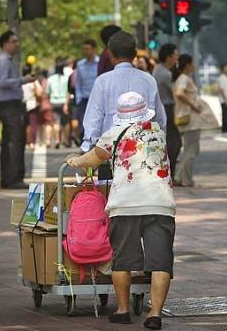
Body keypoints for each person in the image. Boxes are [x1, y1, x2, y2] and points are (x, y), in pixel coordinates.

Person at [67, 92, 175, 330]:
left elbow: (92, 160)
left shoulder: (113, 134)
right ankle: (154, 314)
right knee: (160, 261)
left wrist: (76, 161)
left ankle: (123, 310)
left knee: (123, 260)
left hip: (125, 204)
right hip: (159, 203)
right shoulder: (157, 130)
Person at [82, 31, 167, 180]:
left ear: (110, 54)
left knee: (112, 200)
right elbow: (160, 120)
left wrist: (86, 149)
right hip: (144, 155)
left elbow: (93, 121)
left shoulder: (103, 81)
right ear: (135, 54)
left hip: (111, 157)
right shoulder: (148, 80)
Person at [0, 30, 33, 189]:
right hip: (9, 105)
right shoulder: (3, 61)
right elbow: (2, 82)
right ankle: (13, 178)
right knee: (15, 141)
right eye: (13, 41)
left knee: (11, 141)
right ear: (5, 44)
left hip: (10, 104)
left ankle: (9, 177)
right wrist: (24, 80)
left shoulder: (6, 60)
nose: (17, 44)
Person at [172, 54, 209, 187]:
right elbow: (179, 93)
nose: (194, 65)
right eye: (192, 62)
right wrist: (193, 105)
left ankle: (181, 177)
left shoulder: (183, 78)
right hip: (190, 119)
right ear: (187, 64)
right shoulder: (184, 78)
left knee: (191, 149)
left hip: (190, 119)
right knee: (191, 150)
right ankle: (183, 179)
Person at [152, 43, 182, 182]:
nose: (177, 57)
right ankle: (170, 175)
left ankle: (167, 174)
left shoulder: (158, 69)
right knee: (174, 143)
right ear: (169, 57)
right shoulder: (165, 73)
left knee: (168, 142)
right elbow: (176, 92)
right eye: (175, 54)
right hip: (168, 109)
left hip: (161, 109)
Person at [75, 39, 99, 139]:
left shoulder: (100, 63)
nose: (85, 51)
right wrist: (78, 98)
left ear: (94, 50)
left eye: (87, 49)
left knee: (96, 125)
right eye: (84, 49)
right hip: (84, 99)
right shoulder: (80, 65)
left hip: (97, 99)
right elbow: (78, 83)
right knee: (83, 125)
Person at [46, 58, 71, 148]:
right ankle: (66, 140)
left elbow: (48, 92)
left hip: (54, 102)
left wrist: (49, 101)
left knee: (56, 122)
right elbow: (68, 92)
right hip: (64, 102)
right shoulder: (66, 78)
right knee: (66, 122)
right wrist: (66, 103)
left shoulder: (50, 79)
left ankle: (57, 140)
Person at [22, 65, 43, 149]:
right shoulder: (33, 81)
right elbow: (40, 92)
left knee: (25, 124)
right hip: (32, 104)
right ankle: (32, 143)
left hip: (23, 104)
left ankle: (26, 142)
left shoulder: (21, 81)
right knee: (33, 124)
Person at [216, 63, 227, 133]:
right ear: (222, 69)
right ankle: (225, 129)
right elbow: (221, 90)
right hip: (224, 100)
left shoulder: (226, 78)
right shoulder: (221, 78)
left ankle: (226, 128)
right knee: (225, 115)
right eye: (226, 68)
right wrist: (225, 100)